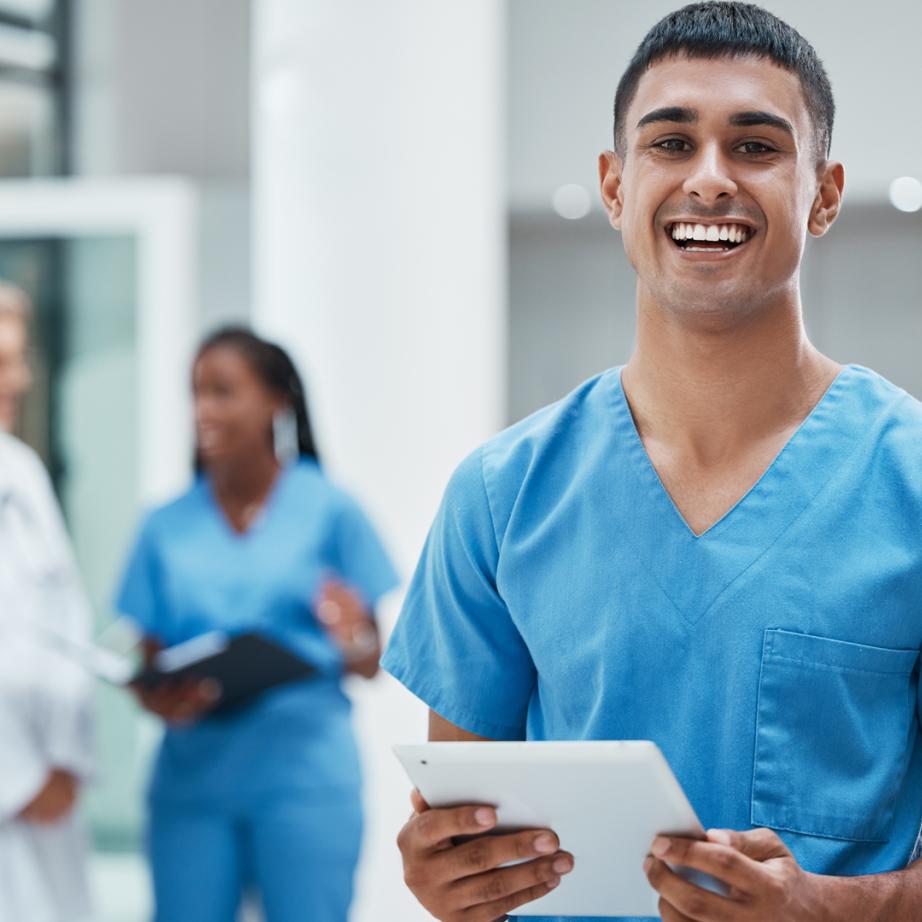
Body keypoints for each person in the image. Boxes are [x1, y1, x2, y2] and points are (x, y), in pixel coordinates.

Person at [382, 3, 922, 920]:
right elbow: (469, 835)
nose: (709, 180)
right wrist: (451, 876)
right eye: (671, 143)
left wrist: (829, 908)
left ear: (824, 193)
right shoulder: (504, 497)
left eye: (756, 146)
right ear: (614, 184)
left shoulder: (907, 484)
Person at [116, 326, 399, 922]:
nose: (202, 410)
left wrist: (352, 634)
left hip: (304, 779)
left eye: (222, 392)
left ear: (276, 401)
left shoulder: (330, 509)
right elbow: (147, 658)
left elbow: (369, 661)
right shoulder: (164, 526)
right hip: (193, 784)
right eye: (195, 393)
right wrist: (158, 697)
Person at [0, 282, 95, 921]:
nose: (24, 377)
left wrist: (65, 759)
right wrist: (20, 775)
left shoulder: (21, 470)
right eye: (5, 362)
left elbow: (64, 619)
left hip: (49, 786)